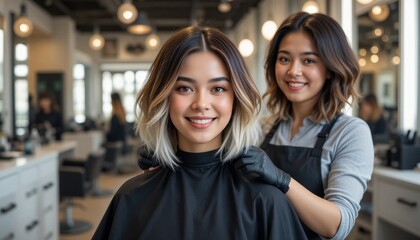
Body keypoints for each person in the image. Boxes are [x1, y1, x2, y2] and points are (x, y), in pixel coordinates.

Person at [93, 25, 307, 240]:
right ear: (163, 96)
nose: (201, 104)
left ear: (237, 98)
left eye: (218, 88)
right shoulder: (132, 197)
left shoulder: (266, 201)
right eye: (184, 88)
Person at [233, 12, 374, 239]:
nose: (293, 71)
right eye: (284, 59)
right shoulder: (263, 128)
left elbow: (337, 225)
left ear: (330, 68)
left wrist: (282, 179)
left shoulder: (350, 132)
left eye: (308, 60)